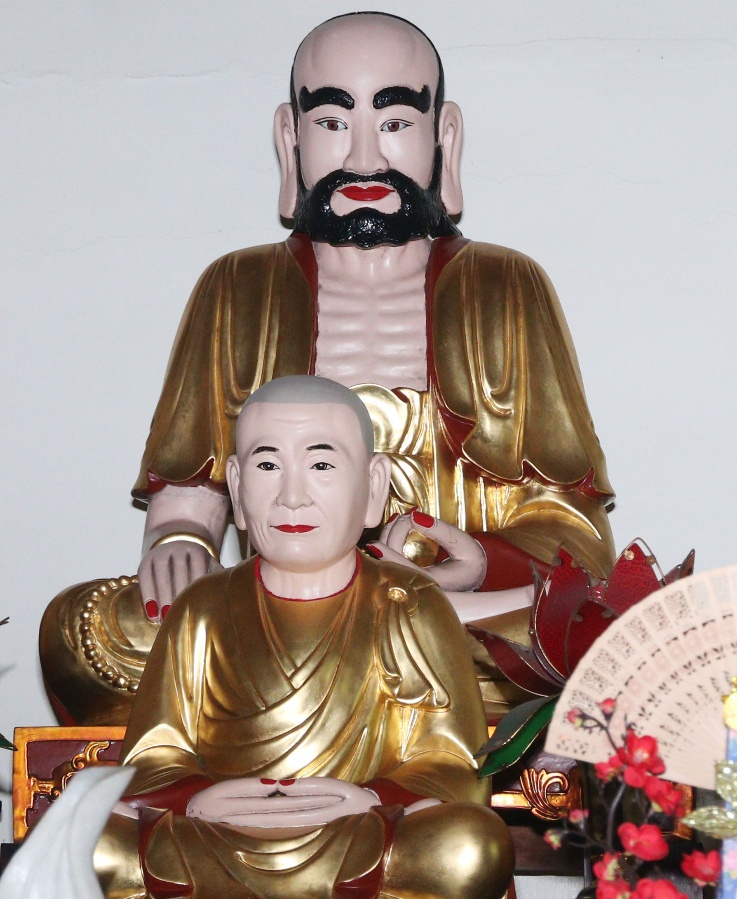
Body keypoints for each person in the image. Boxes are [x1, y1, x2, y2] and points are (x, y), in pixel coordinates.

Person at [40, 11, 614, 726]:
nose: (365, 158)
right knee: (83, 632)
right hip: (277, 612)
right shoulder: (237, 286)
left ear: (444, 135)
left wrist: (476, 560)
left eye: (395, 122)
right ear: (291, 137)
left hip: (454, 611)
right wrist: (181, 540)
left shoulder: (504, 286)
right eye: (333, 122)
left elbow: (574, 529)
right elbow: (193, 485)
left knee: (596, 629)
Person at [93, 376, 514, 899]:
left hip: (358, 833)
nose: (292, 497)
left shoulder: (411, 601)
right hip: (221, 832)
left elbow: (455, 764)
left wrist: (370, 800)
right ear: (236, 488)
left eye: (321, 466)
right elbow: (153, 756)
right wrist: (198, 799)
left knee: (466, 846)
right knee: (94, 842)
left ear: (374, 487)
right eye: (268, 466)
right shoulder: (203, 606)